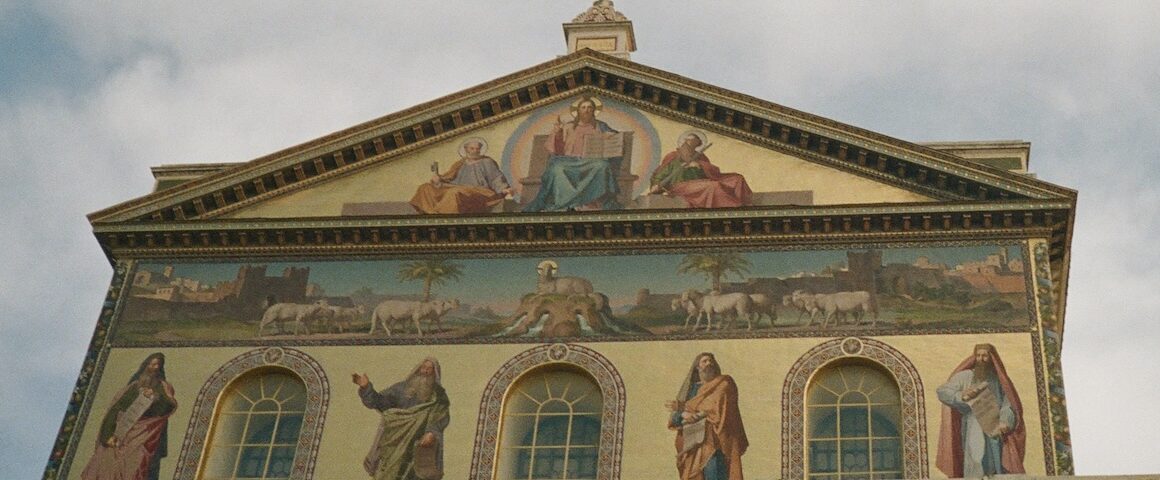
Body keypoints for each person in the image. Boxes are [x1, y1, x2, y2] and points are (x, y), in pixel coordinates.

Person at [81, 352, 177, 480]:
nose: (153, 368)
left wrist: (155, 397)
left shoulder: (163, 387)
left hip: (144, 436)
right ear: (145, 365)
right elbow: (116, 409)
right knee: (104, 465)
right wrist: (107, 435)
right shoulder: (134, 387)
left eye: (156, 365)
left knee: (134, 468)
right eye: (150, 364)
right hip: (119, 433)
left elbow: (168, 407)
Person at [936, 344, 1026, 478]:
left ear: (991, 358)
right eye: (978, 355)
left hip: (995, 426)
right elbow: (943, 391)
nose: (981, 359)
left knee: (995, 464)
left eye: (984, 356)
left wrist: (1005, 421)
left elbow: (1009, 404)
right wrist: (961, 396)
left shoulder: (999, 380)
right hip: (973, 423)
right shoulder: (966, 376)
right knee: (975, 456)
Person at [353, 357, 450, 480]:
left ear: (434, 373)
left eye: (429, 369)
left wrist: (431, 432)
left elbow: (441, 415)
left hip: (419, 446)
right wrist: (366, 388)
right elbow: (380, 402)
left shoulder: (438, 395)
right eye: (423, 367)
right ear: (418, 369)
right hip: (395, 442)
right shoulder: (401, 388)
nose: (425, 371)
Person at [523, 97, 623, 212]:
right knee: (556, 168)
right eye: (583, 107)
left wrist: (610, 135)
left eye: (589, 107)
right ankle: (563, 203)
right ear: (578, 110)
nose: (586, 110)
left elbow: (615, 137)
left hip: (590, 161)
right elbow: (557, 150)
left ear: (594, 110)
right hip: (569, 161)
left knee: (602, 165)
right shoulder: (568, 126)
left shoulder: (601, 126)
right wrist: (558, 134)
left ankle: (591, 201)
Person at [665, 352, 747, 480]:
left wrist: (688, 409)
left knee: (715, 473)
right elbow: (675, 418)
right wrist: (684, 414)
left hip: (716, 441)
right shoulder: (692, 389)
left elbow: (716, 408)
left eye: (711, 361)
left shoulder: (724, 384)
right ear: (697, 367)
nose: (709, 363)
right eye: (704, 361)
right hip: (693, 445)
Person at [647, 132, 752, 208]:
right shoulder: (673, 157)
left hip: (701, 184)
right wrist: (656, 185)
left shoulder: (700, 157)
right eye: (688, 142)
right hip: (681, 187)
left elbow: (713, 173)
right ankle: (735, 207)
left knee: (737, 179)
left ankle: (744, 204)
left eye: (693, 143)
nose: (689, 145)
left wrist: (699, 165)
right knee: (714, 186)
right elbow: (660, 175)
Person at [410, 138, 512, 214]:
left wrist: (503, 189)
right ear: (466, 149)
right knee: (425, 187)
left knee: (453, 193)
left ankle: (443, 217)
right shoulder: (460, 163)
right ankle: (431, 214)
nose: (475, 151)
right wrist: (438, 179)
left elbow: (495, 178)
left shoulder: (487, 162)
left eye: (477, 149)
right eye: (472, 148)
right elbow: (448, 177)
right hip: (457, 188)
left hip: (479, 191)